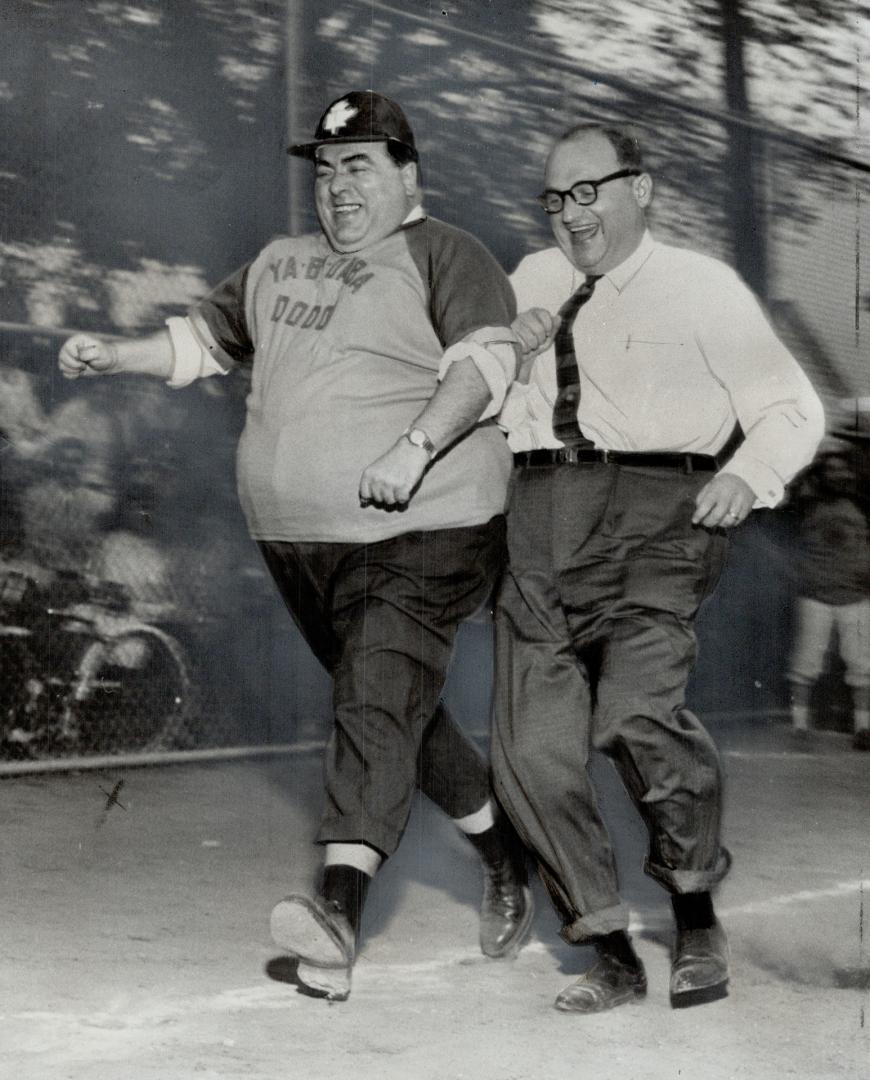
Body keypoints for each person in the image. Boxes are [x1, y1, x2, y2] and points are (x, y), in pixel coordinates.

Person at [58, 91, 532, 1001]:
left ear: (407, 174)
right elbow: (198, 343)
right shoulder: (280, 262)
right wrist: (113, 355)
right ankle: (505, 854)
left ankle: (337, 917)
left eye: (359, 167)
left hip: (424, 525)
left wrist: (414, 445)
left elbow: (484, 366)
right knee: (394, 711)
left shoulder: (446, 254)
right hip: (301, 543)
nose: (337, 188)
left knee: (375, 701)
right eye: (325, 171)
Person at [493, 120, 825, 1013]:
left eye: (589, 191)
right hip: (539, 520)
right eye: (555, 198)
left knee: (637, 714)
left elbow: (793, 409)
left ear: (641, 188)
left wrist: (748, 475)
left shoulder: (701, 288)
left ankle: (694, 910)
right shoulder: (530, 280)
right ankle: (605, 945)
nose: (571, 214)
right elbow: (487, 390)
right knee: (529, 753)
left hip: (660, 521)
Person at [787, 450, 870, 750]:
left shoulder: (862, 504)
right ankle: (799, 727)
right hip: (817, 596)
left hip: (856, 595)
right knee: (806, 662)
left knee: (862, 665)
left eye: (842, 470)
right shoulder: (807, 505)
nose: (837, 475)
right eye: (831, 470)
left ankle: (863, 729)